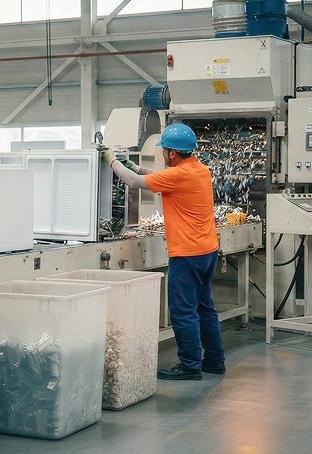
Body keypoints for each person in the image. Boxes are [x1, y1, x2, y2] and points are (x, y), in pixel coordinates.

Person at [102, 123, 225, 380]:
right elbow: (153, 177)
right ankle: (214, 360)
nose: (163, 154)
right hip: (208, 250)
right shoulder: (199, 170)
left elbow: (134, 183)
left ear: (171, 153)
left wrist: (112, 161)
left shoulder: (178, 176)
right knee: (205, 307)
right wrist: (134, 165)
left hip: (187, 254)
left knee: (182, 311)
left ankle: (190, 365)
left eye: (164, 150)